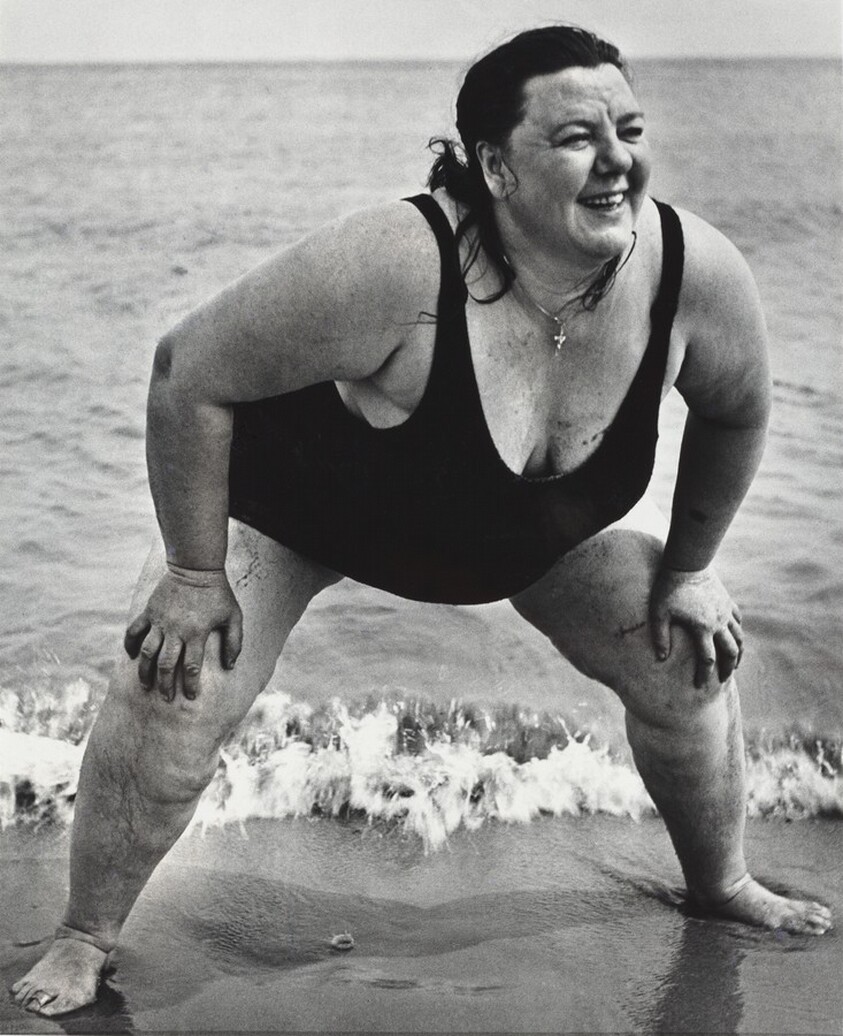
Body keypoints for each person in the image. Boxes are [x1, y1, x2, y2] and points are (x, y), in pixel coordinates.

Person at [12, 23, 832, 1017]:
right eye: (576, 137)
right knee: (177, 676)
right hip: (304, 511)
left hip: (518, 530)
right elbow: (187, 372)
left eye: (630, 125)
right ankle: (86, 931)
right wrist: (192, 578)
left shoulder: (694, 276)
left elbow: (738, 408)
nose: (618, 158)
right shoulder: (399, 267)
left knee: (687, 653)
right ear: (494, 164)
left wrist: (694, 565)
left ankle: (722, 882)